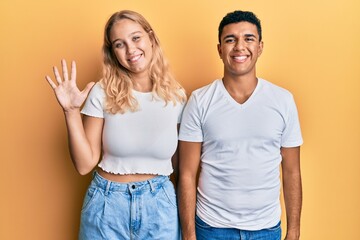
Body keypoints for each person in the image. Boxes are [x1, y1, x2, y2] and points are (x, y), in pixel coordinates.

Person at [45, 10, 186, 240]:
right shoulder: (102, 91)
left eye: (136, 38)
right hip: (107, 205)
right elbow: (84, 165)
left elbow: (182, 169)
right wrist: (70, 112)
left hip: (160, 206)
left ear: (151, 37)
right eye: (119, 44)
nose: (131, 50)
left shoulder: (177, 96)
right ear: (113, 53)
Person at [178, 10, 303, 240]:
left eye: (248, 38)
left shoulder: (283, 100)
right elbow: (186, 173)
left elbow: (292, 170)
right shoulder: (199, 100)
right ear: (219, 49)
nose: (239, 47)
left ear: (260, 47)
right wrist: (189, 235)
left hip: (266, 229)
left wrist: (294, 231)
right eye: (230, 40)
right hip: (211, 227)